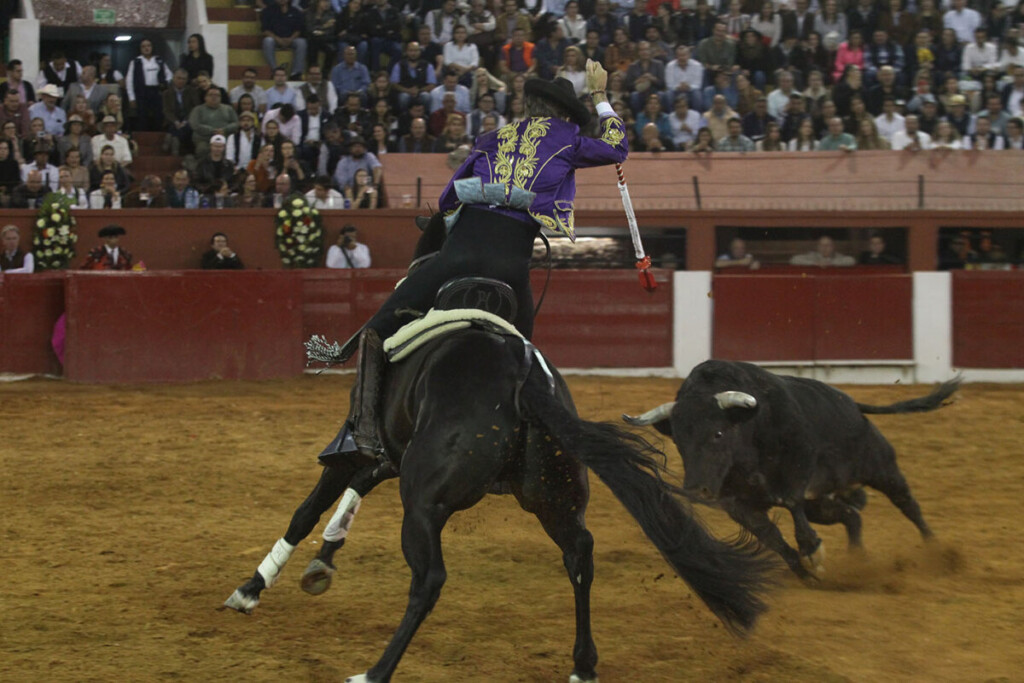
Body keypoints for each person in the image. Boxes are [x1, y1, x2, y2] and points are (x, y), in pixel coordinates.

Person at [335, 61, 627, 457]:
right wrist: (600, 97)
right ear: (565, 114)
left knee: (376, 332)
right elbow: (616, 146)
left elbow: (446, 200)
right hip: (510, 266)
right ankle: (528, 441)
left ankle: (362, 432)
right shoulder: (570, 139)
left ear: (529, 105)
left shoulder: (491, 138)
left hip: (457, 258)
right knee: (526, 354)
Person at [126, 38, 174, 132]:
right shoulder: (136, 62)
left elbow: (169, 75)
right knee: (142, 117)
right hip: (142, 92)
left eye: (148, 46)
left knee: (158, 116)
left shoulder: (158, 60)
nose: (146, 48)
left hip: (157, 92)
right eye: (143, 46)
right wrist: (131, 98)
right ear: (140, 48)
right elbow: (129, 81)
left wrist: (164, 83)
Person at [262, 0, 308, 80]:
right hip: (275, 39)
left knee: (302, 42)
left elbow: (299, 30)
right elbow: (265, 30)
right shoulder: (268, 11)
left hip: (291, 39)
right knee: (267, 41)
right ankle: (275, 70)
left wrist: (291, 39)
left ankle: (296, 73)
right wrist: (277, 39)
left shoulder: (295, 11)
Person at [190, 87, 240, 160]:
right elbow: (195, 124)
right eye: (211, 95)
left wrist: (225, 129)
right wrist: (212, 130)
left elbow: (236, 123)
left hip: (225, 139)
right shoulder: (198, 110)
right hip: (204, 139)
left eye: (217, 95)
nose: (214, 97)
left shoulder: (228, 109)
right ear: (205, 97)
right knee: (202, 149)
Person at [791, 235, 856, 267]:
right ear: (817, 247)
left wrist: (831, 263)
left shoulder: (837, 256)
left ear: (833, 247)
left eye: (828, 245)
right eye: (822, 245)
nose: (824, 248)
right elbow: (794, 259)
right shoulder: (812, 256)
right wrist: (814, 263)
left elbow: (851, 260)